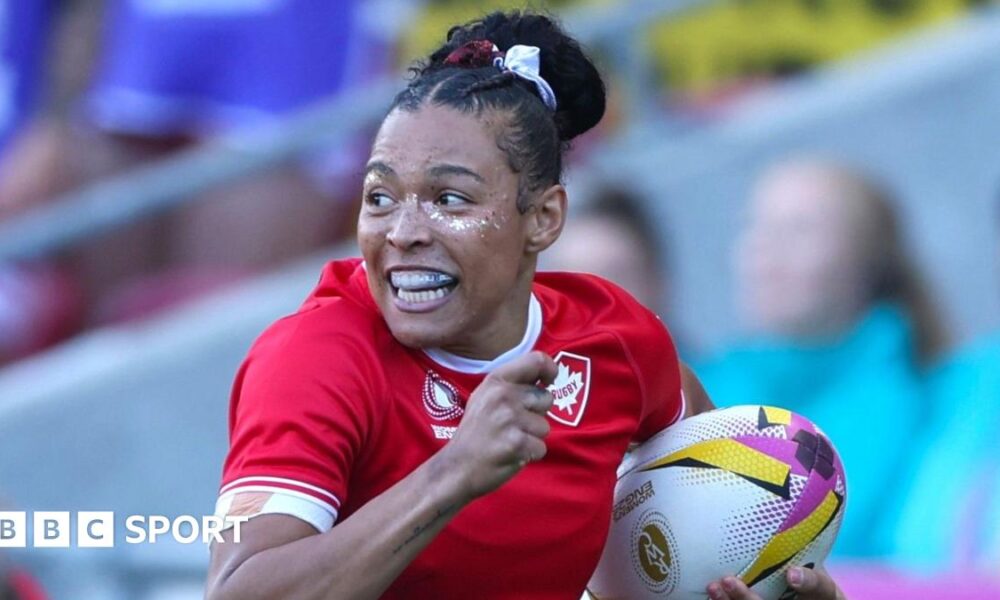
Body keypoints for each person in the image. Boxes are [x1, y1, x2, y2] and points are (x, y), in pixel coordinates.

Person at [205, 12, 844, 600]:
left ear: (542, 218)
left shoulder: (616, 338)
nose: (402, 231)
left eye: (449, 200)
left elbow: (713, 494)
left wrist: (776, 584)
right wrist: (453, 473)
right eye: (379, 197)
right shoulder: (315, 356)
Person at [695, 157, 948, 559]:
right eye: (753, 225)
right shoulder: (701, 388)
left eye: (800, 229)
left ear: (865, 263)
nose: (764, 248)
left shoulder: (930, 400)